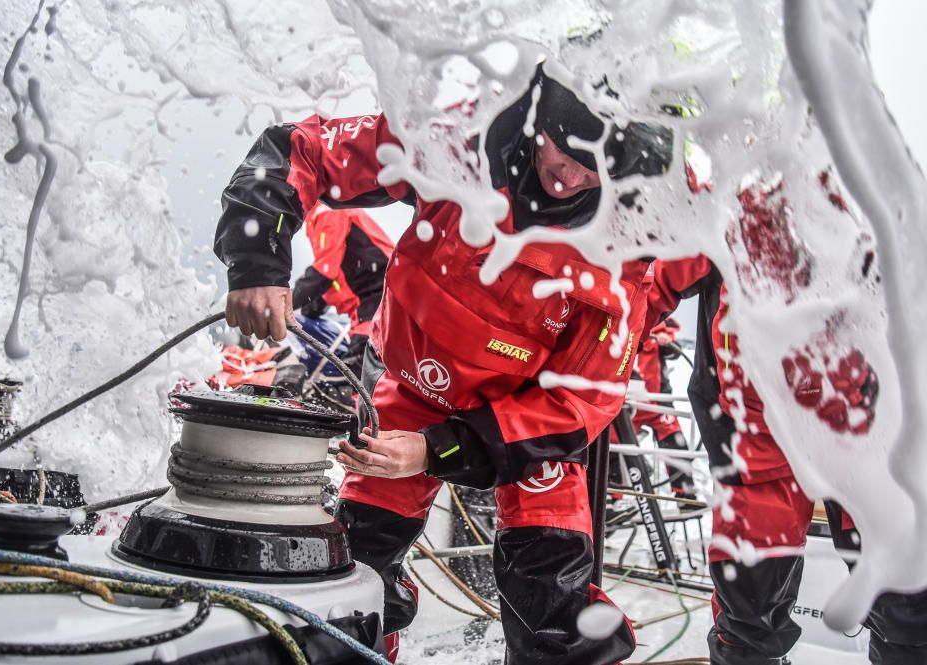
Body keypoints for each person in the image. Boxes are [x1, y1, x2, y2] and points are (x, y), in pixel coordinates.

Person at [214, 65, 673, 664]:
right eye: (566, 148)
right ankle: (377, 632)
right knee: (347, 571)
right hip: (412, 395)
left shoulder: (626, 252)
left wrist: (439, 449)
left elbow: (583, 400)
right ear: (542, 119)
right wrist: (257, 259)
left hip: (522, 425)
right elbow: (300, 149)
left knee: (555, 609)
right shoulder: (456, 146)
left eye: (596, 167)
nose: (570, 176)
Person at [648, 182, 927, 664]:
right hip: (756, 454)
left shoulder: (878, 216)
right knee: (748, 622)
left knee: (909, 611)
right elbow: (636, 287)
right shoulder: (728, 220)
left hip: (864, 450)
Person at [291, 203, 395, 375]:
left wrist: (283, 304)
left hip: (378, 304)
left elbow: (324, 272)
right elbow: (332, 278)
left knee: (359, 374)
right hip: (370, 308)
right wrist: (310, 310)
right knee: (358, 373)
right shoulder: (320, 219)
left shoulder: (329, 212)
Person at [630, 316, 698, 501]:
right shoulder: (623, 322)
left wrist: (666, 343)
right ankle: (616, 498)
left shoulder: (659, 326)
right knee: (614, 443)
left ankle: (685, 494)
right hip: (627, 406)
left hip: (658, 405)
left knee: (676, 444)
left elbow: (674, 351)